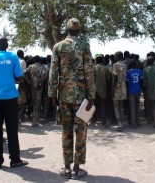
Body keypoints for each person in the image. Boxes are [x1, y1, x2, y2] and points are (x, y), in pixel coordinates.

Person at [48, 18, 95, 180]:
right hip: (82, 96)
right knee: (81, 132)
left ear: (67, 30)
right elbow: (89, 71)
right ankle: (77, 168)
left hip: (64, 96)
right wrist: (91, 95)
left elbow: (53, 72)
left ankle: (67, 168)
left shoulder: (58, 46)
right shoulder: (84, 46)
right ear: (79, 30)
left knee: (66, 131)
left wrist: (52, 94)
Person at [0, 37, 28, 169]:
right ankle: (15, 160)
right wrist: (13, 80)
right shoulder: (13, 57)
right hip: (10, 97)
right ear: (7, 45)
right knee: (12, 129)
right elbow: (19, 77)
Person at [23, 55, 48, 127]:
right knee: (37, 103)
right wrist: (41, 81)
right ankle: (34, 121)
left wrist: (28, 81)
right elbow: (45, 74)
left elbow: (24, 73)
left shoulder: (31, 66)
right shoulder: (43, 67)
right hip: (39, 88)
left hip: (32, 86)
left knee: (33, 102)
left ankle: (34, 119)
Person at [93, 54, 111, 127]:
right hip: (103, 89)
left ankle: (94, 120)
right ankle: (103, 122)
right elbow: (108, 78)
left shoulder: (93, 68)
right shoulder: (106, 69)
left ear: (96, 60)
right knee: (103, 106)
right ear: (102, 60)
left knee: (94, 105)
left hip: (94, 89)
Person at [112, 51, 127, 131]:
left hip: (117, 88)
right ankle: (122, 121)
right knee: (121, 105)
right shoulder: (125, 65)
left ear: (117, 57)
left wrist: (112, 88)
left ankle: (119, 123)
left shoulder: (115, 65)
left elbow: (114, 77)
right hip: (123, 88)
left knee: (116, 106)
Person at [143, 56, 155, 128]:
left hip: (148, 90)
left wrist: (144, 89)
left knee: (148, 106)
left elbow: (144, 81)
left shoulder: (146, 69)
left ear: (149, 61)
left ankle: (149, 120)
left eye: (147, 61)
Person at [125, 59, 143, 129]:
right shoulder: (139, 71)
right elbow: (141, 81)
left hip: (131, 91)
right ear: (136, 65)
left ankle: (133, 123)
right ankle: (138, 121)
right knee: (137, 106)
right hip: (138, 90)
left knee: (132, 108)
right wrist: (140, 89)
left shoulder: (128, 72)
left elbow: (127, 83)